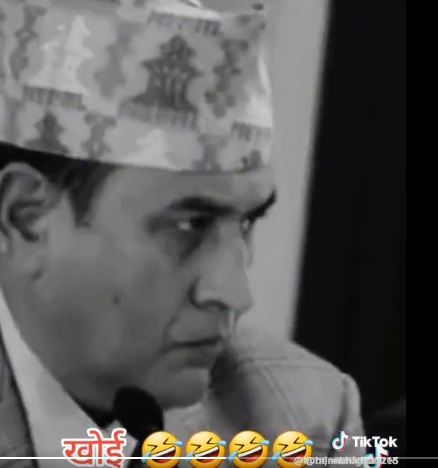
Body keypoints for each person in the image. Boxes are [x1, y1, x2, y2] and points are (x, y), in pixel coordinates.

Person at [0, 0, 364, 466]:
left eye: (246, 222)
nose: (235, 294)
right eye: (190, 225)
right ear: (26, 218)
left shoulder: (306, 417)